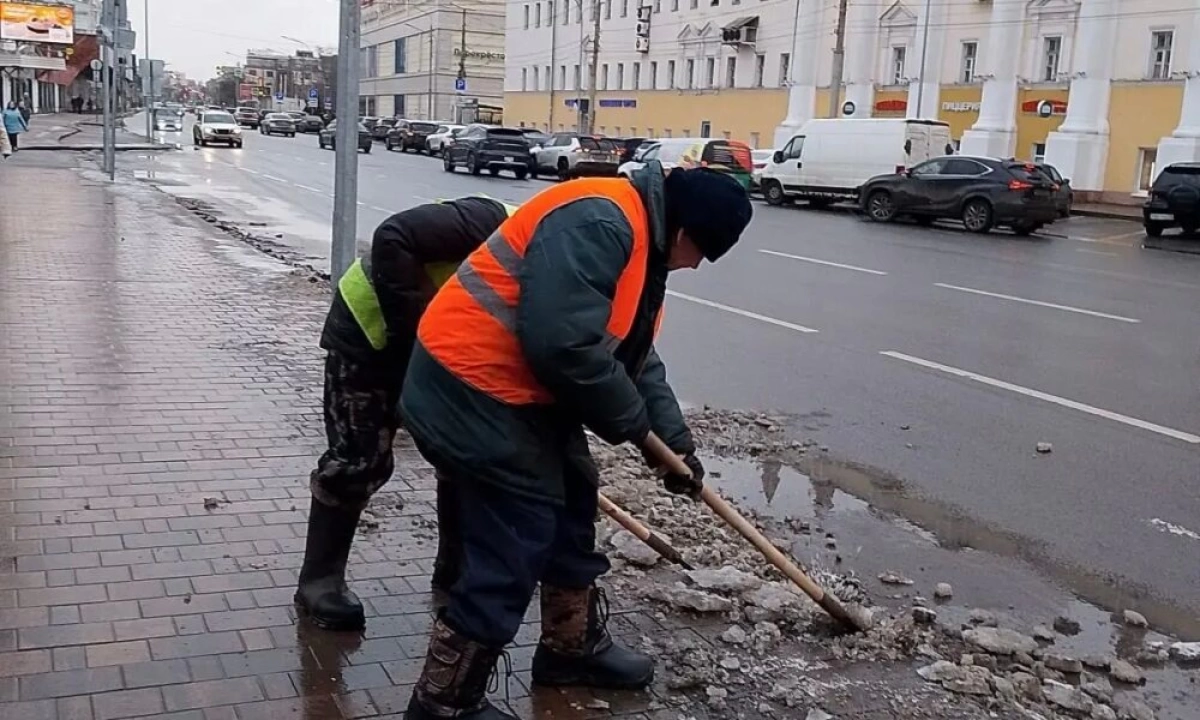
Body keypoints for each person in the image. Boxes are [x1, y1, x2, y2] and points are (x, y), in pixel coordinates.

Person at [399, 162, 753, 720]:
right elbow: (563, 348)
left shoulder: (644, 244)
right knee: (518, 536)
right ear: (687, 234)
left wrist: (675, 446)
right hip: (469, 385)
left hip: (522, 392)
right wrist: (635, 429)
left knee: (572, 501)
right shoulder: (601, 223)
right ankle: (443, 701)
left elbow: (631, 357)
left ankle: (569, 649)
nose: (697, 267)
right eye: (703, 254)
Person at [296, 196, 519, 632]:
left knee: (463, 458)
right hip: (371, 333)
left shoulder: (561, 274)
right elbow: (393, 237)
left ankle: (454, 576)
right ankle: (319, 581)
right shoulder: (493, 222)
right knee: (360, 460)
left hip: (447, 351)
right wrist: (416, 345)